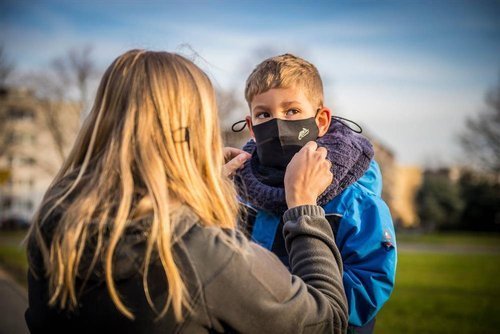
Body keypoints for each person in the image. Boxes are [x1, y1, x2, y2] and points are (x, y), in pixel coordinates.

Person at [24, 50, 349, 333]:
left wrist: (195, 190)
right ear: (191, 131)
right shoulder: (203, 255)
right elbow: (327, 321)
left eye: (292, 112)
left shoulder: (54, 223)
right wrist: (304, 207)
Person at [232, 53, 397, 333]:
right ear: (251, 127)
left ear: (321, 121)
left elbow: (368, 287)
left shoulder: (357, 200)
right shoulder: (237, 189)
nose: (278, 123)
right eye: (264, 114)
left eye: (292, 111)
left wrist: (278, 306)